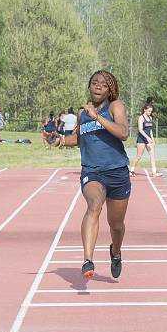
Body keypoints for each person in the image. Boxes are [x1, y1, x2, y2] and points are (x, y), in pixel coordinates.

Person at [59, 70, 130, 279]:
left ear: (110, 90)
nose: (98, 86)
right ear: (89, 87)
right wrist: (61, 140)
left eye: (104, 84)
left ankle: (115, 252)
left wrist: (97, 116)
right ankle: (87, 260)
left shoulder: (114, 107)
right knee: (94, 205)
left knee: (116, 226)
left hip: (117, 172)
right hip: (92, 172)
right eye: (95, 83)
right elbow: (79, 138)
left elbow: (124, 133)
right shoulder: (83, 113)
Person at [129, 103, 161, 177]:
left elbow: (150, 130)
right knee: (139, 156)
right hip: (141, 139)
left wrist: (152, 139)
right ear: (145, 110)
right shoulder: (141, 118)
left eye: (151, 111)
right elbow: (140, 130)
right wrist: (147, 137)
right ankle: (131, 171)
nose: (150, 113)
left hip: (149, 140)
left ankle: (154, 172)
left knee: (152, 155)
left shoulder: (150, 118)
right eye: (149, 111)